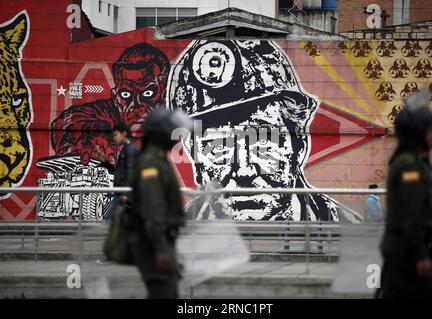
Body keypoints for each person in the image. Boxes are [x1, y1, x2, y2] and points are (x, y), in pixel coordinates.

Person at [167, 40, 338, 222]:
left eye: (263, 144)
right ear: (197, 163)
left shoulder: (346, 232)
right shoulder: (180, 234)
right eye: (218, 149)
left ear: (298, 150)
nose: (244, 173)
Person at [376, 90, 432, 299]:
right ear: (417, 133)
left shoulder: (416, 161)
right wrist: (421, 256)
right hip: (407, 252)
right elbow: (410, 217)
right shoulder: (409, 167)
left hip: (405, 250)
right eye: (429, 130)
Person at [128, 109, 192, 299]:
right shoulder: (151, 164)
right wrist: (161, 250)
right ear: (162, 133)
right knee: (164, 294)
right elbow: (153, 209)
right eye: (173, 130)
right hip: (153, 246)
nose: (177, 134)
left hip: (158, 243)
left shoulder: (156, 159)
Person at [96, 123, 138, 220]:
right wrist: (105, 162)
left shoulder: (130, 149)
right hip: (121, 194)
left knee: (109, 223)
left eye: (116, 135)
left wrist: (127, 193)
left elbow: (130, 172)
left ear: (123, 134)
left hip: (123, 195)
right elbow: (119, 172)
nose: (114, 138)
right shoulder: (126, 148)